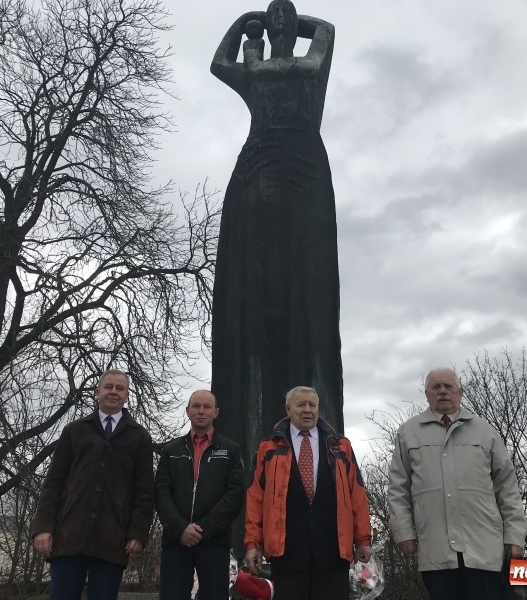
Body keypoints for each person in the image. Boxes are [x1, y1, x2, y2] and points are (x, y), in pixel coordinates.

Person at [209, 1, 345, 471]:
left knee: (305, 284)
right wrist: (246, 25)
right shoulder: (253, 66)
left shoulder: (307, 65)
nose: (282, 21)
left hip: (305, 168)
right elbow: (217, 63)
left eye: (285, 15)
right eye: (275, 16)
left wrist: (280, 24)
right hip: (256, 167)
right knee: (253, 284)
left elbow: (324, 32)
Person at [387, 368, 527, 600]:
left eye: (448, 386)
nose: (442, 392)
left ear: (460, 392)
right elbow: (397, 488)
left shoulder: (485, 431)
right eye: (436, 387)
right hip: (436, 549)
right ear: (426, 394)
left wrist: (514, 536)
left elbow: (508, 488)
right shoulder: (408, 433)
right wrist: (403, 531)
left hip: (485, 549)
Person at [31, 369, 154, 600]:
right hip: (69, 536)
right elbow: (53, 483)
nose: (113, 392)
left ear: (127, 395)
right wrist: (43, 527)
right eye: (109, 387)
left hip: (112, 540)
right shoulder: (75, 431)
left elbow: (144, 492)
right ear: (97, 392)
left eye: (120, 388)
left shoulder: (139, 437)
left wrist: (138, 532)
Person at [245, 386, 372, 600]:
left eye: (312, 405)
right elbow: (255, 499)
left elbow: (357, 496)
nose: (307, 410)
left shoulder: (341, 446)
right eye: (301, 404)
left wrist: (363, 539)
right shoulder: (268, 448)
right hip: (286, 553)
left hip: (334, 552)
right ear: (288, 409)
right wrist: (253, 544)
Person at [154, 390, 245, 600]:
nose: (201, 411)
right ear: (187, 411)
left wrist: (202, 529)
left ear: (216, 412)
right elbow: (161, 493)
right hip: (176, 541)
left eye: (207, 407)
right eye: (196, 406)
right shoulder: (170, 450)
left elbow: (234, 495)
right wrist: (180, 528)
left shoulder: (231, 450)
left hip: (214, 541)